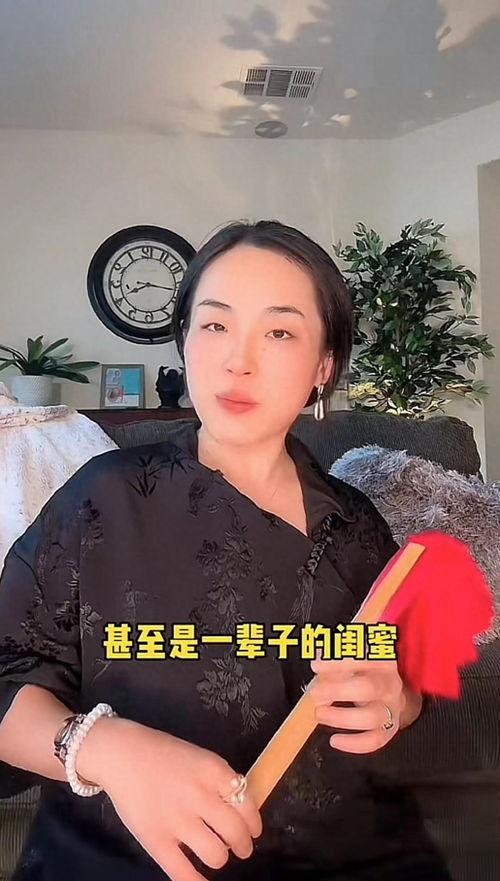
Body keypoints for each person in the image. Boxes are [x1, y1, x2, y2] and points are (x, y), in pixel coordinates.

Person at [0, 221, 451, 881]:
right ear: (185, 341)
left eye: (280, 332)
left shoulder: (356, 523)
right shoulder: (104, 499)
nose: (239, 361)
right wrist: (104, 748)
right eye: (215, 325)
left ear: (323, 366)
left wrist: (399, 700)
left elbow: (401, 668)